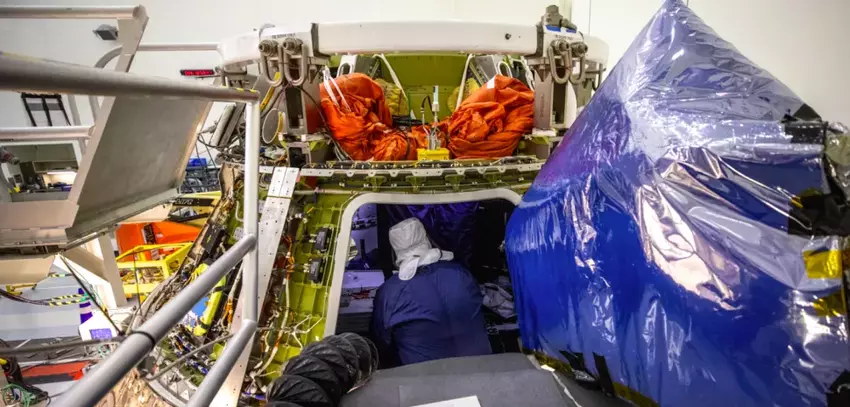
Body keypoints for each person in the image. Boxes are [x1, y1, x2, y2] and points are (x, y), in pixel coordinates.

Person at [371, 218, 491, 366]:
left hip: (428, 378)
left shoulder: (390, 292)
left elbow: (380, 342)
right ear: (426, 239)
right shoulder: (461, 273)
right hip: (482, 370)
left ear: (395, 251)